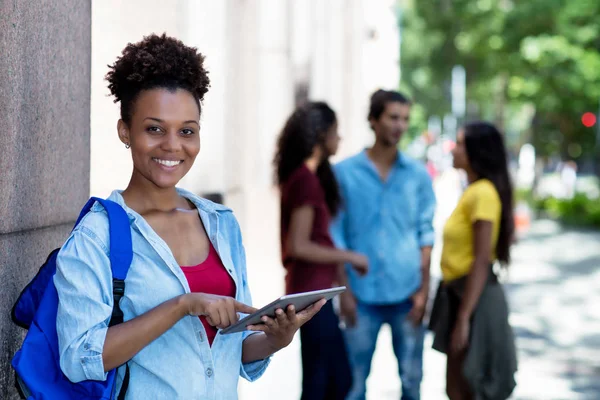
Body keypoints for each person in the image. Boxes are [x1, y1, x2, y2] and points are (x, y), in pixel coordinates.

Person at [54, 33, 325, 399]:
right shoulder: (97, 235)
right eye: (154, 129)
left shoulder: (220, 223)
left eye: (187, 131)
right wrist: (181, 306)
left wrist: (276, 338)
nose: (172, 145)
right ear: (125, 131)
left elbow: (234, 350)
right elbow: (78, 358)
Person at [330, 89, 436, 400]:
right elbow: (336, 236)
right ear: (373, 121)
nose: (399, 125)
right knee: (353, 386)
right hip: (360, 297)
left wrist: (423, 292)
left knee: (412, 383)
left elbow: (426, 235)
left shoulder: (418, 175)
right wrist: (344, 292)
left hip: (407, 294)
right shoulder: (344, 173)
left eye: (404, 119)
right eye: (392, 117)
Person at [273, 101, 369, 400]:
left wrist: (344, 287)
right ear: (320, 135)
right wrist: (350, 256)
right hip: (309, 294)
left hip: (317, 291)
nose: (339, 139)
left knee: (333, 380)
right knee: (325, 382)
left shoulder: (310, 178)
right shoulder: (304, 180)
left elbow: (320, 238)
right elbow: (299, 245)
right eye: (335, 132)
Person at [430, 122, 517, 400]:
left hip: (474, 299)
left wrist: (465, 317)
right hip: (460, 295)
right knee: (457, 386)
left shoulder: (483, 193)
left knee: (472, 385)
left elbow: (481, 260)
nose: (454, 150)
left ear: (477, 152)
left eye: (460, 144)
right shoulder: (474, 191)